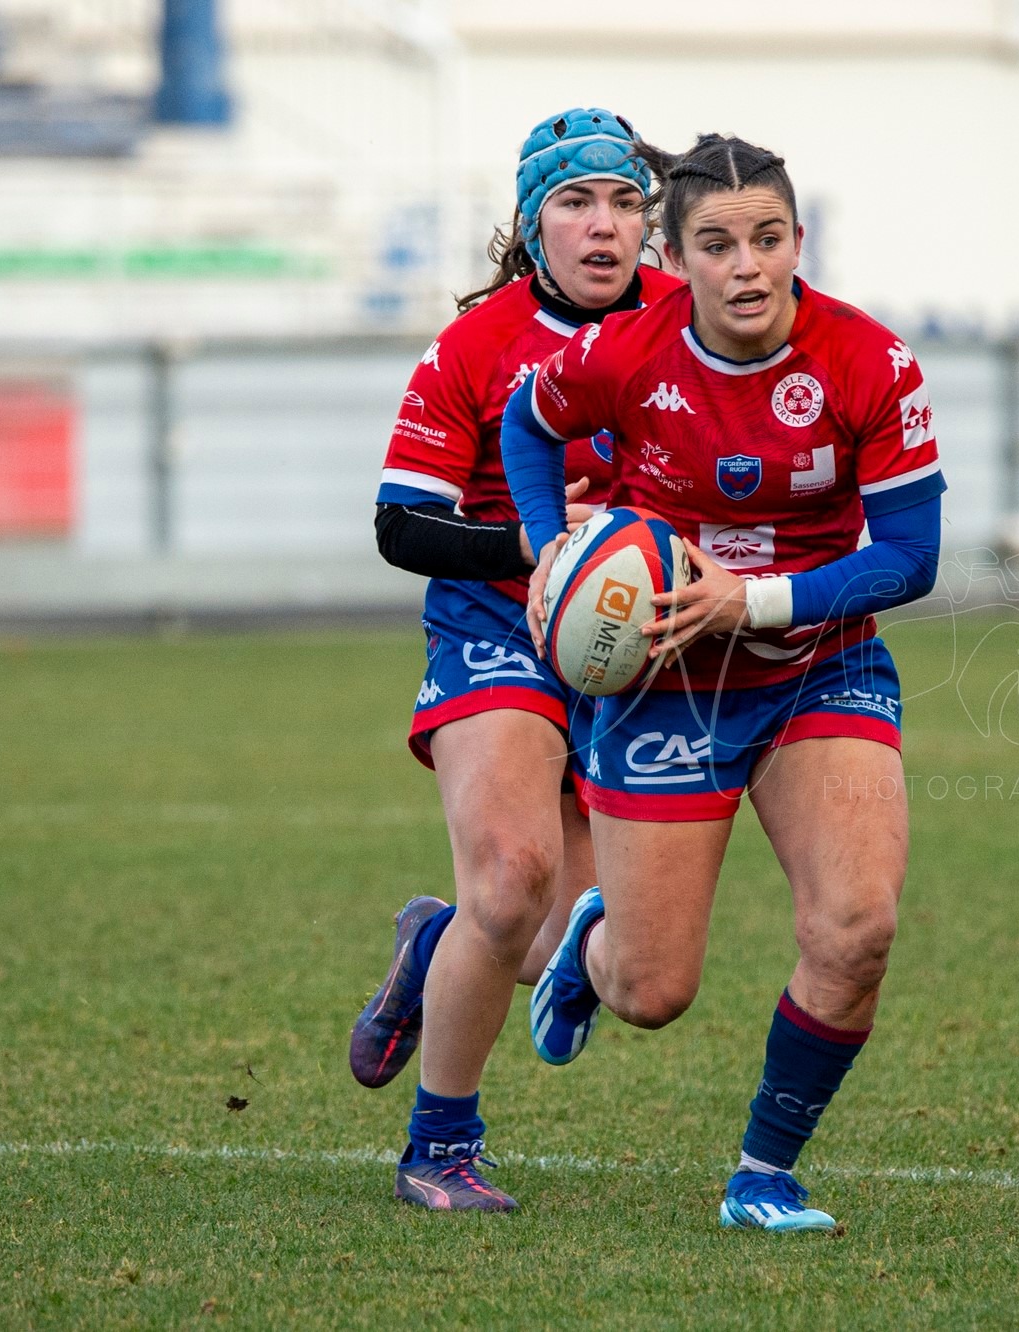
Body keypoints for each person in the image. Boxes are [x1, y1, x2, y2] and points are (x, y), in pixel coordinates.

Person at [501, 133, 945, 1233]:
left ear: (799, 240)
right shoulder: (624, 352)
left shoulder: (870, 362)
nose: (747, 266)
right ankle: (591, 942)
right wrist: (550, 546)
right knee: (650, 993)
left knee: (857, 928)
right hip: (665, 680)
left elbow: (911, 557)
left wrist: (752, 601)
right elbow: (529, 420)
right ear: (672, 255)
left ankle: (763, 1174)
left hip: (817, 668)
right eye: (716, 244)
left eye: (768, 238)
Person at [351, 108, 680, 1213]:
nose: (604, 226)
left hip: (633, 653)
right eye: (576, 203)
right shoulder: (477, 345)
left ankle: (430, 942)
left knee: (565, 946)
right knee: (510, 880)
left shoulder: (687, 326)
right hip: (495, 632)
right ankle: (439, 1149)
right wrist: (537, 546)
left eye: (625, 203)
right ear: (533, 224)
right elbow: (402, 524)